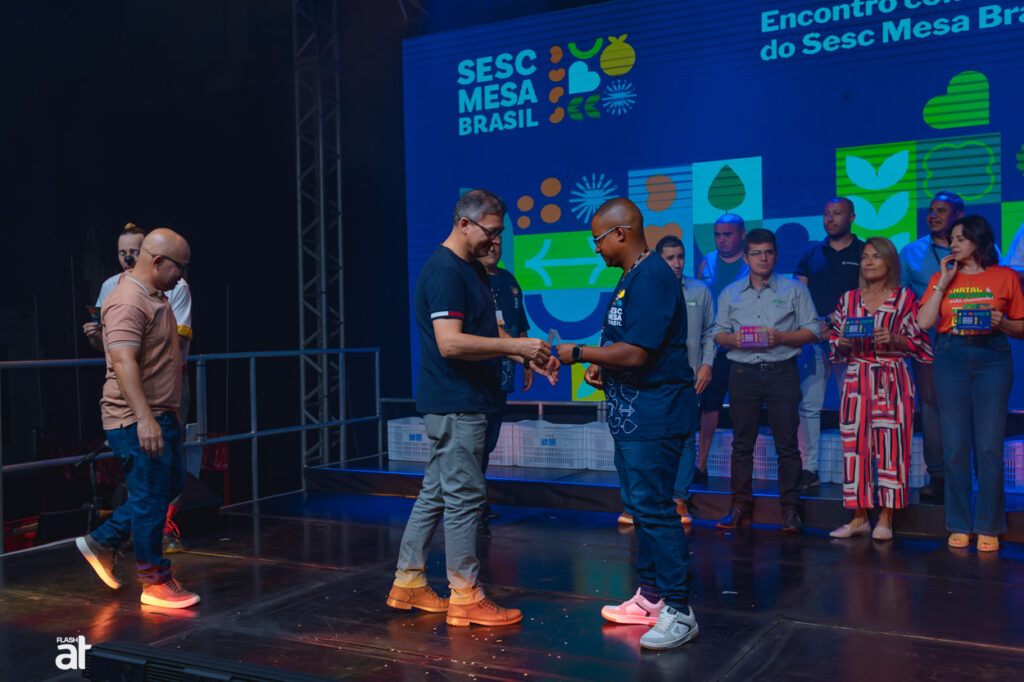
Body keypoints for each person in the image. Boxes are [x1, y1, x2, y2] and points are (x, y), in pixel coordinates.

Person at [387, 189, 557, 627]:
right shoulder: (446, 271)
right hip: (456, 402)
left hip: (463, 399)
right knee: (464, 498)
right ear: (464, 224)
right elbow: (450, 343)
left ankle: (408, 581)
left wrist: (525, 354)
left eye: (500, 233)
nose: (496, 241)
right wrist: (515, 346)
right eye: (491, 232)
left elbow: (487, 331)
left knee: (436, 492)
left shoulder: (471, 269)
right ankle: (465, 595)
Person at [555, 198, 699, 650]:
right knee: (642, 508)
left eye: (597, 239)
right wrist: (604, 365)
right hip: (635, 417)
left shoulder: (652, 276)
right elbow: (627, 344)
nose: (595, 248)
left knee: (656, 510)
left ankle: (679, 610)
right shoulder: (631, 276)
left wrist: (580, 353)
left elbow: (637, 353)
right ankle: (651, 598)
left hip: (656, 416)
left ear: (620, 233)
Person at [75, 228, 199, 608]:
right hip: (135, 418)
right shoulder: (128, 301)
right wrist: (145, 419)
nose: (183, 276)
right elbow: (124, 362)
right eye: (179, 267)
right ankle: (154, 582)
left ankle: (102, 541)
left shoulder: (156, 294)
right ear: (158, 261)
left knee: (168, 487)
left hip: (163, 412)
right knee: (149, 499)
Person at [918, 215, 1024, 553]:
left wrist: (1002, 323)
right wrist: (943, 281)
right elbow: (924, 322)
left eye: (960, 238)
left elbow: (1021, 327)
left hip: (992, 356)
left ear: (979, 240)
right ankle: (959, 523)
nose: (953, 244)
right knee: (954, 445)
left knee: (989, 447)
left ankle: (989, 524)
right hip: (951, 355)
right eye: (951, 239)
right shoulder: (942, 276)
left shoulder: (1006, 276)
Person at [711, 228, 820, 534]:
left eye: (768, 252)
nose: (763, 258)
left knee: (787, 445)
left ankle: (791, 509)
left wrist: (781, 337)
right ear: (746, 257)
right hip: (742, 373)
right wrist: (732, 340)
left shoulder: (794, 289)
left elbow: (813, 330)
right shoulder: (730, 293)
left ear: (776, 255)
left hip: (781, 371)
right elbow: (718, 333)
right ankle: (739, 506)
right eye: (756, 253)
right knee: (741, 443)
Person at [827, 237, 932, 540]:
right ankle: (859, 517)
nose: (869, 262)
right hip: (856, 377)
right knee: (855, 449)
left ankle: (886, 517)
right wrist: (842, 343)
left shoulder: (905, 298)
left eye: (876, 256)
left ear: (890, 262)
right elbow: (835, 345)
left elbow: (922, 345)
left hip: (892, 377)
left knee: (892, 447)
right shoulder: (848, 299)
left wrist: (897, 340)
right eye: (864, 256)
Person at [618, 235, 714, 527]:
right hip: (653, 379)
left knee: (686, 437)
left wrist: (707, 364)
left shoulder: (700, 290)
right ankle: (641, 502)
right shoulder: (645, 288)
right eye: (670, 258)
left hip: (689, 377)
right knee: (647, 437)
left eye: (680, 257)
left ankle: (680, 498)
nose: (677, 263)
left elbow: (710, 331)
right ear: (659, 260)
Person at [794, 198, 863, 491]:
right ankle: (807, 468)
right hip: (815, 338)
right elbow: (799, 294)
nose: (830, 219)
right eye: (826, 214)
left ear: (852, 217)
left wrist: (836, 322)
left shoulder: (864, 252)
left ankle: (855, 467)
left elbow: (869, 294)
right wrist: (815, 325)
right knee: (809, 405)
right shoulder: (811, 252)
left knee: (853, 407)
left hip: (851, 340)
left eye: (837, 213)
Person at [899, 191, 964, 499]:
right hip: (927, 342)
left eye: (941, 211)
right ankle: (937, 475)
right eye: (930, 211)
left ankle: (965, 474)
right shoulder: (911, 252)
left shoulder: (978, 249)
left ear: (958, 215)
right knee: (930, 408)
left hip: (969, 340)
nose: (933, 216)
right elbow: (901, 298)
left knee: (968, 407)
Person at [478, 234, 531, 527]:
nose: (493, 245)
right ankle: (472, 506)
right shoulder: (469, 279)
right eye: (489, 239)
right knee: (474, 445)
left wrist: (527, 363)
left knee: (488, 443)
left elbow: (520, 323)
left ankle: (478, 503)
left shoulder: (510, 280)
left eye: (498, 240)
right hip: (477, 377)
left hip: (504, 376)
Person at [694, 214, 749, 481]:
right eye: (718, 235)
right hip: (714, 347)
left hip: (743, 347)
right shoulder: (709, 261)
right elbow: (698, 301)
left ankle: (742, 469)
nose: (722, 240)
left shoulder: (751, 261)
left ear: (742, 234)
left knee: (743, 407)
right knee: (709, 405)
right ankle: (700, 465)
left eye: (727, 234)